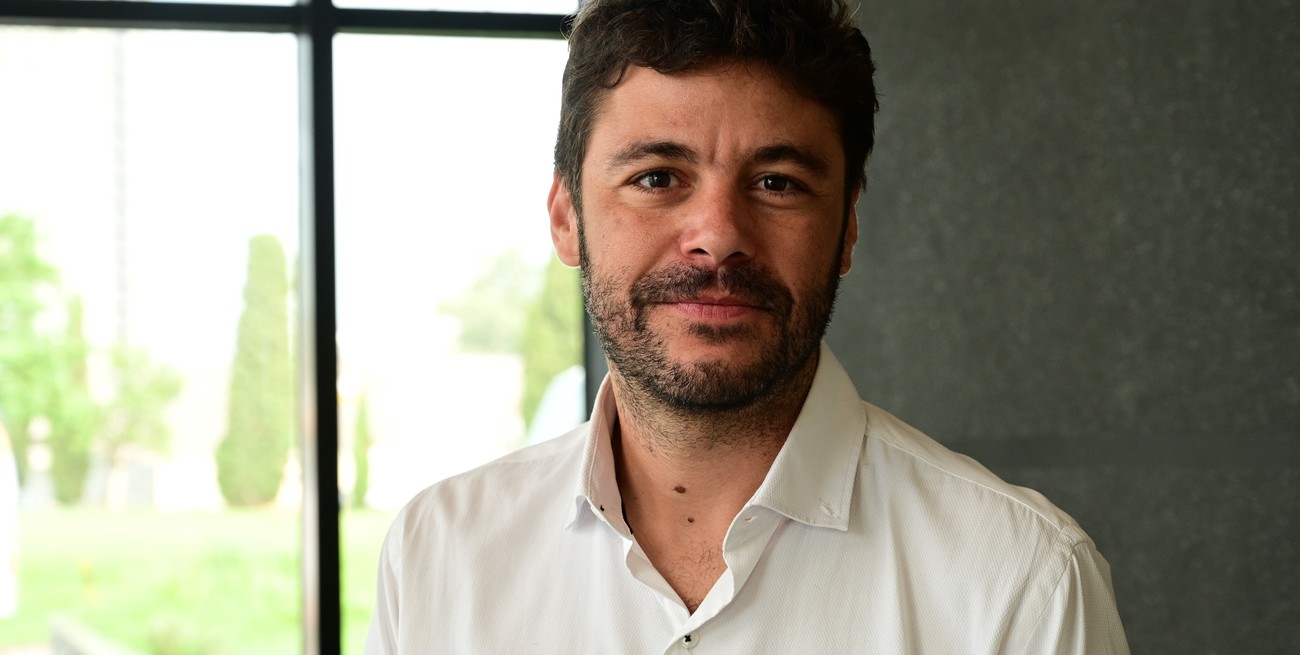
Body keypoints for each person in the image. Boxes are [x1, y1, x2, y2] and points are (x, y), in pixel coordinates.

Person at [365, 0, 1129, 652]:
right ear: (566, 218)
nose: (719, 234)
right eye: (657, 177)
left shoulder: (1023, 581)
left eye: (776, 182)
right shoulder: (440, 556)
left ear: (848, 227)